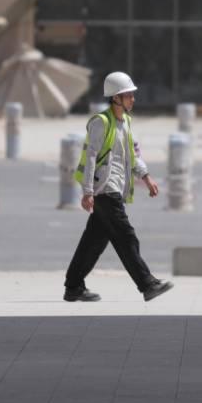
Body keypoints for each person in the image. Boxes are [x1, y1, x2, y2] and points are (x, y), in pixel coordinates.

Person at [63, 71, 174, 303]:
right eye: (128, 95)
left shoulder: (126, 122)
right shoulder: (100, 123)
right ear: (115, 98)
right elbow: (90, 156)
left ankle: (73, 286)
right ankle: (147, 284)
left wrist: (146, 177)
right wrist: (87, 192)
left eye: (132, 95)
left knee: (93, 243)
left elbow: (132, 155)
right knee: (126, 237)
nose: (132, 99)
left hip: (115, 189)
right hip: (105, 189)